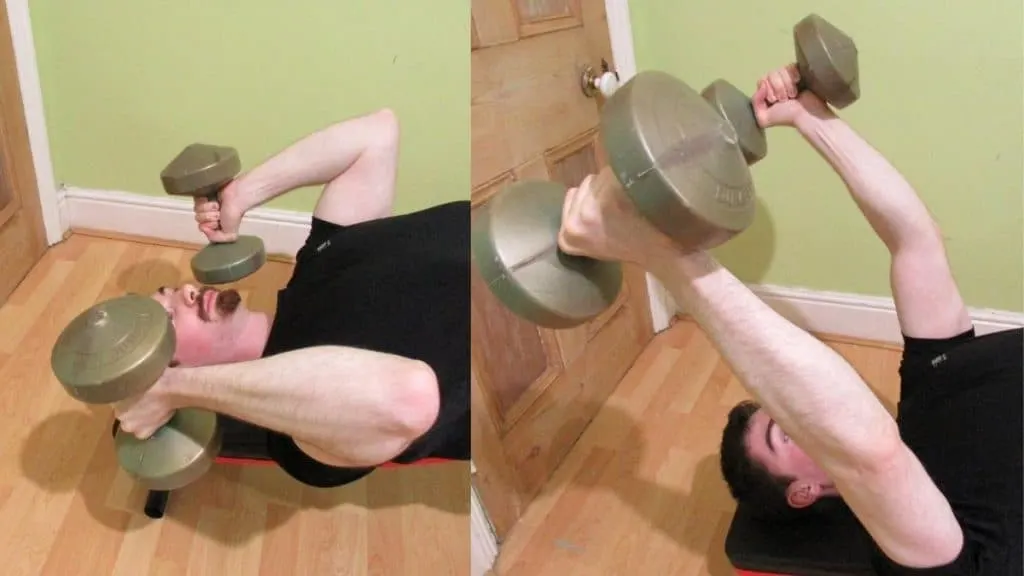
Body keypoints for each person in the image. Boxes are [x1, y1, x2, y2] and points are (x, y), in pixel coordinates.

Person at [556, 64, 1022, 573]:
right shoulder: (940, 547)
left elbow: (916, 242)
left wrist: (810, 117)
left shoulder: (931, 390)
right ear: (805, 491)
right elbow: (869, 453)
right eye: (788, 430)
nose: (803, 415)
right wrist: (664, 257)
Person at [113, 108, 470, 488]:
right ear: (177, 367)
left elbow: (377, 135)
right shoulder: (299, 440)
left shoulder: (319, 256)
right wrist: (171, 390)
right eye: (168, 318)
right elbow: (410, 398)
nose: (186, 291)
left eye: (170, 290)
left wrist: (241, 194)